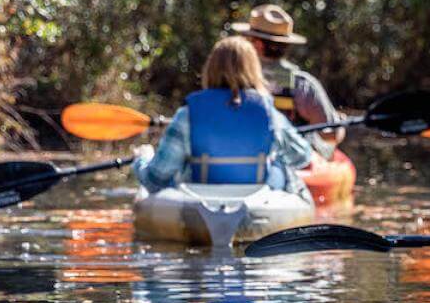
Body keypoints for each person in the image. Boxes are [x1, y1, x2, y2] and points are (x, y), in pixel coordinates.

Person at [133, 36, 313, 199]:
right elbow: (302, 157)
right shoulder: (270, 114)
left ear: (210, 68)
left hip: (196, 202)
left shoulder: (186, 115)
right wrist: (273, 153)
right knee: (282, 169)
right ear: (254, 70)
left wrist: (142, 158)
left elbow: (154, 180)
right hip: (256, 201)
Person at [230, 4, 345, 157]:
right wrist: (340, 124)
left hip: (243, 155)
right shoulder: (302, 84)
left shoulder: (233, 78)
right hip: (289, 160)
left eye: (248, 38)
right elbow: (330, 136)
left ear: (257, 44)